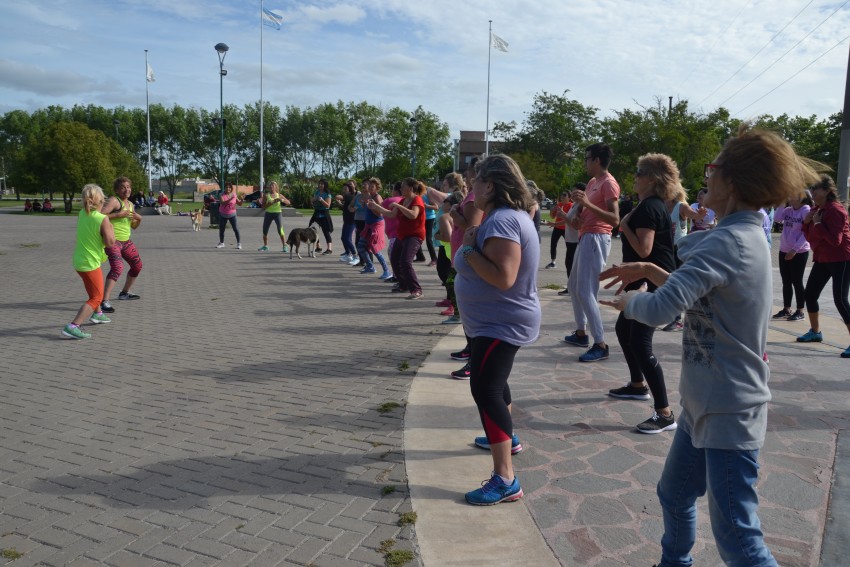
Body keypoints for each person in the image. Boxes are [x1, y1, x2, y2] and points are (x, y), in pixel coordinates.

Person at [600, 125, 820, 567]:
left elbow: (663, 310)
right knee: (674, 494)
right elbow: (703, 293)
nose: (706, 178)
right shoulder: (742, 235)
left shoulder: (726, 241)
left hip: (728, 407)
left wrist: (630, 300)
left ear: (732, 182)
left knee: (739, 537)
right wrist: (650, 268)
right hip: (705, 401)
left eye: (712, 169)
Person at [454, 153, 540, 505]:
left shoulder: (504, 221)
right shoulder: (505, 217)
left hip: (501, 322)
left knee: (486, 389)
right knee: (495, 383)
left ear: (490, 185)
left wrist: (470, 248)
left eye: (475, 181)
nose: (471, 188)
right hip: (490, 322)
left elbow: (503, 277)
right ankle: (506, 438)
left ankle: (505, 478)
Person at [606, 154, 678, 434]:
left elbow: (645, 251)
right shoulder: (650, 205)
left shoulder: (649, 208)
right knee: (624, 330)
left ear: (651, 178)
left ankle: (665, 413)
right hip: (643, 280)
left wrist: (623, 225)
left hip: (654, 283)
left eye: (638, 172)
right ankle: (637, 385)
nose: (634, 177)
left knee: (640, 343)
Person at [563, 142, 620, 362]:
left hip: (597, 238)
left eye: (587, 158)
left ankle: (601, 343)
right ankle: (580, 333)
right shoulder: (593, 182)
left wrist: (587, 203)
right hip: (586, 236)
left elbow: (615, 220)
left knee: (586, 291)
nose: (585, 162)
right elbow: (585, 212)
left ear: (597, 160)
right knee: (574, 287)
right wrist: (578, 215)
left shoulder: (609, 184)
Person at [797, 175, 850, 358]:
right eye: (811, 188)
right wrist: (806, 223)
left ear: (827, 191)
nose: (812, 192)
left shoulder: (836, 210)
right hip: (822, 259)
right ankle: (815, 332)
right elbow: (811, 238)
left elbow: (836, 241)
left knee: (840, 300)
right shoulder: (816, 210)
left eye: (815, 188)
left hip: (841, 259)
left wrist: (817, 223)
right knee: (809, 294)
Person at [62, 184, 115, 339]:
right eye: (103, 197)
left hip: (80, 261)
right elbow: (110, 243)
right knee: (96, 297)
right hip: (89, 263)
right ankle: (73, 326)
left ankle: (98, 314)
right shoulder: (102, 219)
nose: (104, 199)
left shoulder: (82, 214)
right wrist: (110, 227)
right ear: (99, 200)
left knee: (94, 291)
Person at [368, 178, 426, 299]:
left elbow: (413, 215)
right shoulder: (403, 201)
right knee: (394, 259)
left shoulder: (417, 200)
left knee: (405, 261)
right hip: (402, 235)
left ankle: (416, 289)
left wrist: (397, 206)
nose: (401, 189)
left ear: (410, 188)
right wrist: (375, 206)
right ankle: (403, 284)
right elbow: (390, 214)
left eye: (403, 186)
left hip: (414, 236)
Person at [661, 188, 708, 332]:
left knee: (677, 284)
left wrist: (698, 215)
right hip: (666, 249)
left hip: (680, 251)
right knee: (667, 282)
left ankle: (678, 319)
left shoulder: (681, 206)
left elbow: (693, 215)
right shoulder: (662, 205)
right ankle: (673, 315)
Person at [99, 177, 144, 312]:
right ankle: (104, 301)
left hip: (126, 241)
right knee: (117, 267)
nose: (127, 190)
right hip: (113, 241)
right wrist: (118, 214)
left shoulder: (130, 204)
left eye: (128, 187)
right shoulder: (114, 201)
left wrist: (139, 219)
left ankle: (124, 293)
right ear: (117, 190)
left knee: (137, 266)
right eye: (123, 187)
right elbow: (99, 216)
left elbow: (133, 226)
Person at [772, 192, 813, 321]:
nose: (790, 196)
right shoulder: (788, 210)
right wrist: (781, 204)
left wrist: (794, 249)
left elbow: (806, 233)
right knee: (786, 281)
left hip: (799, 252)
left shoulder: (806, 210)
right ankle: (786, 308)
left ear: (801, 198)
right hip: (784, 249)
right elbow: (777, 219)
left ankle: (800, 310)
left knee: (797, 281)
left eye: (792, 195)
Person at [356, 179, 392, 279]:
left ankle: (387, 271)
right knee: (361, 246)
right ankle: (370, 267)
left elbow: (380, 213)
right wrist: (365, 204)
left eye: (372, 186)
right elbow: (368, 208)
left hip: (376, 225)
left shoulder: (377, 197)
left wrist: (372, 207)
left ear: (377, 188)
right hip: (368, 225)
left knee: (374, 248)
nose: (370, 188)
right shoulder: (370, 196)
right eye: (369, 186)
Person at [257, 181, 291, 253]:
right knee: (265, 230)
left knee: (280, 229)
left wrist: (281, 200)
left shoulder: (279, 195)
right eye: (270, 186)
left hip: (277, 213)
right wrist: (271, 203)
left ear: (276, 187)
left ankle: (284, 246)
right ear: (269, 187)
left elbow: (288, 202)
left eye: (273, 186)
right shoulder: (266, 195)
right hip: (268, 213)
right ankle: (265, 246)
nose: (272, 187)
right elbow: (263, 207)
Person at [544, 190, 570, 268]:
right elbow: (552, 217)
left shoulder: (571, 206)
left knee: (569, 246)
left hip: (566, 228)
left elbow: (568, 219)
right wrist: (552, 211)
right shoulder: (559, 205)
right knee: (553, 244)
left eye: (564, 195)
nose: (562, 197)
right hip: (557, 228)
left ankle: (571, 261)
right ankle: (553, 262)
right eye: (562, 195)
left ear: (569, 197)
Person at [309, 179, 333, 255]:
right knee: (312, 229)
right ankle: (318, 247)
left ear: (325, 185)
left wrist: (322, 200)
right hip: (317, 213)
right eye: (319, 184)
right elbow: (311, 201)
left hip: (324, 214)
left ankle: (329, 249)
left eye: (322, 184)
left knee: (326, 231)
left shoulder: (327, 194)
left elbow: (328, 205)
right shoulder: (317, 192)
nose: (320, 185)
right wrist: (314, 199)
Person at [216, 183, 243, 249]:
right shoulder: (221, 194)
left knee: (236, 229)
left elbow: (239, 204)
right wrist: (230, 199)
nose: (228, 188)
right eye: (226, 187)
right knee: (222, 229)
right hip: (223, 214)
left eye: (229, 187)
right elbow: (222, 202)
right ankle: (222, 243)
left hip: (232, 215)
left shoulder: (234, 194)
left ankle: (239, 244)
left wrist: (242, 199)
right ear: (224, 188)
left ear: (231, 188)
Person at [338, 180, 359, 263]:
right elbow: (346, 206)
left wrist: (341, 197)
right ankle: (348, 254)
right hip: (346, 219)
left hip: (352, 220)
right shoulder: (348, 195)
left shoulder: (357, 194)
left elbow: (349, 200)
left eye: (350, 184)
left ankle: (355, 256)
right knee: (343, 238)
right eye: (347, 185)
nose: (348, 186)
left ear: (355, 185)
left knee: (347, 239)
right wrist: (340, 204)